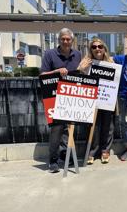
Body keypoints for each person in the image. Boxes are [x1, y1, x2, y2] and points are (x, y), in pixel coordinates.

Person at [41, 28, 81, 173]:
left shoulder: (77, 54)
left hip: (71, 96)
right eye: (63, 39)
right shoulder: (49, 54)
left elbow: (79, 73)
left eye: (68, 39)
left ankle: (66, 156)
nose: (65, 41)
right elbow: (42, 75)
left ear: (72, 40)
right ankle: (53, 160)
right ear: (59, 40)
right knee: (56, 129)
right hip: (54, 97)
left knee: (69, 127)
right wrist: (57, 72)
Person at [77, 37, 114, 164]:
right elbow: (78, 79)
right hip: (91, 101)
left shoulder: (111, 62)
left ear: (104, 49)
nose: (97, 49)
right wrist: (80, 69)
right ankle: (92, 151)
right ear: (91, 50)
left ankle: (105, 150)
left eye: (100, 46)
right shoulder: (86, 62)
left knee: (107, 126)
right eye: (94, 47)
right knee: (93, 126)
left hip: (107, 99)